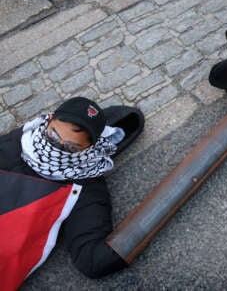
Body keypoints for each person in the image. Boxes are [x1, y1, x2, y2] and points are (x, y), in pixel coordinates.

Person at [0, 97, 144, 281]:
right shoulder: (19, 139)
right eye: (53, 136)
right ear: (49, 119)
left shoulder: (86, 188)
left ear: (88, 149)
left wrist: (156, 213)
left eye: (70, 148)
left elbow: (92, 260)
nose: (55, 148)